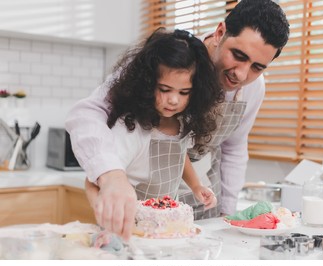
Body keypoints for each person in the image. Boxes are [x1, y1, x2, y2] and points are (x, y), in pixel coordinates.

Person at [65, 0, 290, 239]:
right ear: (220, 32)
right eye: (238, 55)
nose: (242, 74)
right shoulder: (166, 60)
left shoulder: (254, 89)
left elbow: (233, 147)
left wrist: (228, 215)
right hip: (144, 216)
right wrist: (111, 176)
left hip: (204, 208)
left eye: (257, 67)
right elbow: (87, 113)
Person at [68, 28, 222, 239]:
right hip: (130, 231)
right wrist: (105, 212)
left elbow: (179, 154)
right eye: (165, 89)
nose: (174, 100)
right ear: (148, 85)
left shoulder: (182, 123)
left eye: (183, 92)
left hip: (165, 231)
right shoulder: (132, 129)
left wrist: (196, 185)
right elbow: (94, 179)